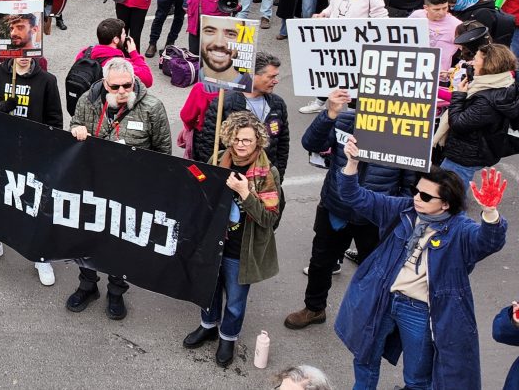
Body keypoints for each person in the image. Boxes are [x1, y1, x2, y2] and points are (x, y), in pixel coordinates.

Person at [338, 136, 508, 390]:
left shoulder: (461, 230)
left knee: (417, 379)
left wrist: (490, 212)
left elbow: (488, 241)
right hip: (384, 298)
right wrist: (352, 163)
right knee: (364, 360)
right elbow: (354, 197)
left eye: (426, 197)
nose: (417, 198)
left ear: (446, 204)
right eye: (416, 191)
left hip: (419, 310)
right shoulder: (404, 210)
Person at [286, 89, 413, 330]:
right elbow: (310, 143)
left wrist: (400, 214)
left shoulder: (403, 132)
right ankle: (314, 309)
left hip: (375, 216)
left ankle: (371, 317)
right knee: (320, 263)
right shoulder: (344, 121)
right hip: (335, 208)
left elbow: (409, 180)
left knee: (375, 270)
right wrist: (329, 114)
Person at [66, 57, 171, 317]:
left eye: (128, 85)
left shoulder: (152, 108)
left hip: (130, 191)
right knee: (86, 236)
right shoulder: (86, 101)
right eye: (116, 87)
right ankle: (87, 285)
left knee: (120, 244)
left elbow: (164, 154)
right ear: (104, 84)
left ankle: (116, 292)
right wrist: (76, 128)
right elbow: (73, 125)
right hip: (92, 185)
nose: (123, 91)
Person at [182, 111, 282, 368]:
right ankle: (208, 326)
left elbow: (269, 218)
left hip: (241, 251)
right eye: (236, 139)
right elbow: (200, 194)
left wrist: (245, 193)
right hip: (214, 243)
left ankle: (228, 337)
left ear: (258, 142)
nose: (240, 145)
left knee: (235, 301)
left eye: (247, 140)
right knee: (209, 289)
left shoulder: (267, 173)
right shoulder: (217, 159)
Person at [0, 55, 63, 284]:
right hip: (3, 149)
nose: (23, 59)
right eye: (18, 54)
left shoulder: (47, 80)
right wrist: (4, 107)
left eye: (28, 54)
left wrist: (46, 149)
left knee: (36, 204)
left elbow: (55, 120)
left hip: (34, 153)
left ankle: (40, 256)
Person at [433, 42, 519, 190]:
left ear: (488, 65)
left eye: (476, 59)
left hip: (465, 155)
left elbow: (458, 123)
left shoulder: (486, 100)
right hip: (474, 150)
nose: (472, 62)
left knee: (450, 194)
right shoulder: (500, 84)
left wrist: (459, 95)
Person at [196, 53, 290, 178]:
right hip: (231, 180)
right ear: (252, 75)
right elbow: (208, 145)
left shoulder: (277, 104)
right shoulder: (224, 103)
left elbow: (282, 145)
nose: (276, 81)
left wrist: (277, 176)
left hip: (265, 182)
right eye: (271, 76)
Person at [409, 0, 462, 71]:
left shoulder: (456, 25)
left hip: (438, 73)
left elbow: (467, 51)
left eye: (445, 8)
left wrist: (455, 70)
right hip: (412, 68)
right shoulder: (416, 16)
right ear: (426, 8)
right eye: (436, 9)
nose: (441, 12)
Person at [198, 16, 252, 88]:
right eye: (210, 31)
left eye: (230, 34)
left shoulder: (249, 87)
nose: (219, 43)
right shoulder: (196, 76)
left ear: (242, 41)